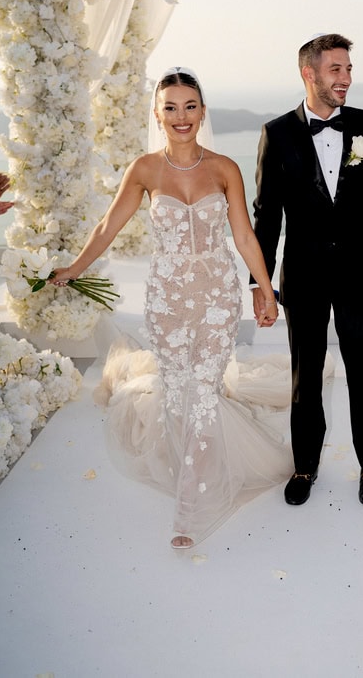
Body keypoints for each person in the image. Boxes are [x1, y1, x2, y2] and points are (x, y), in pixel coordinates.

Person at [51, 67, 292, 549]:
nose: (181, 116)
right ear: (157, 114)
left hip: (217, 294)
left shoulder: (225, 168)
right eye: (170, 107)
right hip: (166, 297)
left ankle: (191, 505)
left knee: (203, 392)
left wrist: (265, 288)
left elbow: (243, 234)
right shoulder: (143, 169)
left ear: (202, 111)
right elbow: (107, 227)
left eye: (189, 106)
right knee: (179, 389)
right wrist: (74, 268)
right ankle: (186, 463)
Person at [251, 33, 363, 507]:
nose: (346, 79)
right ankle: (305, 467)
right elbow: (267, 216)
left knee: (362, 372)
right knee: (305, 376)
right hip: (302, 277)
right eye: (336, 70)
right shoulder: (276, 133)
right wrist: (259, 283)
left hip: (360, 274)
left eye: (348, 69)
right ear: (310, 73)